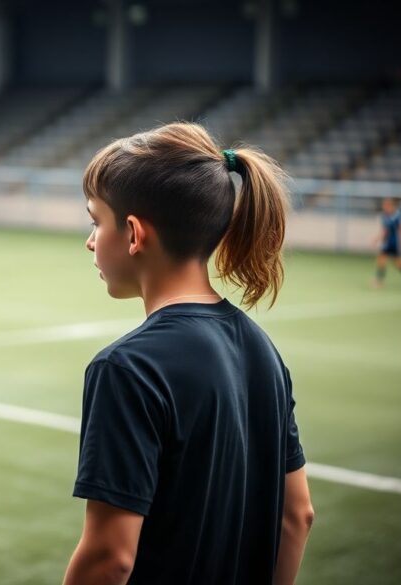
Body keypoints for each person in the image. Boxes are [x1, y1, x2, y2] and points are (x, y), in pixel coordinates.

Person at [63, 123, 314, 585]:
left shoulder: (126, 368)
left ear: (134, 234)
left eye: (96, 220)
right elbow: (297, 515)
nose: (91, 239)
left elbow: (110, 558)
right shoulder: (262, 349)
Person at [372, 197, 401, 287]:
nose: (384, 207)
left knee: (397, 262)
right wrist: (376, 239)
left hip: (394, 242)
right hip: (386, 242)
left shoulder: (397, 216)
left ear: (391, 206)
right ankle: (379, 280)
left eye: (385, 205)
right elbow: (385, 230)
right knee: (381, 259)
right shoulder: (384, 216)